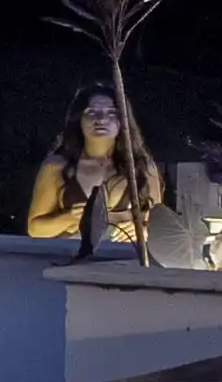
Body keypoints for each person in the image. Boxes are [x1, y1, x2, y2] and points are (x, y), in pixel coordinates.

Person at [23, 87, 167, 258]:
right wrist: (69, 218)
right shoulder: (57, 167)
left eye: (111, 112)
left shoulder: (143, 168)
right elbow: (35, 229)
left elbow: (161, 227)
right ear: (79, 119)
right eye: (92, 112)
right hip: (73, 263)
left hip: (127, 264)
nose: (101, 119)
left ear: (123, 120)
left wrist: (143, 230)